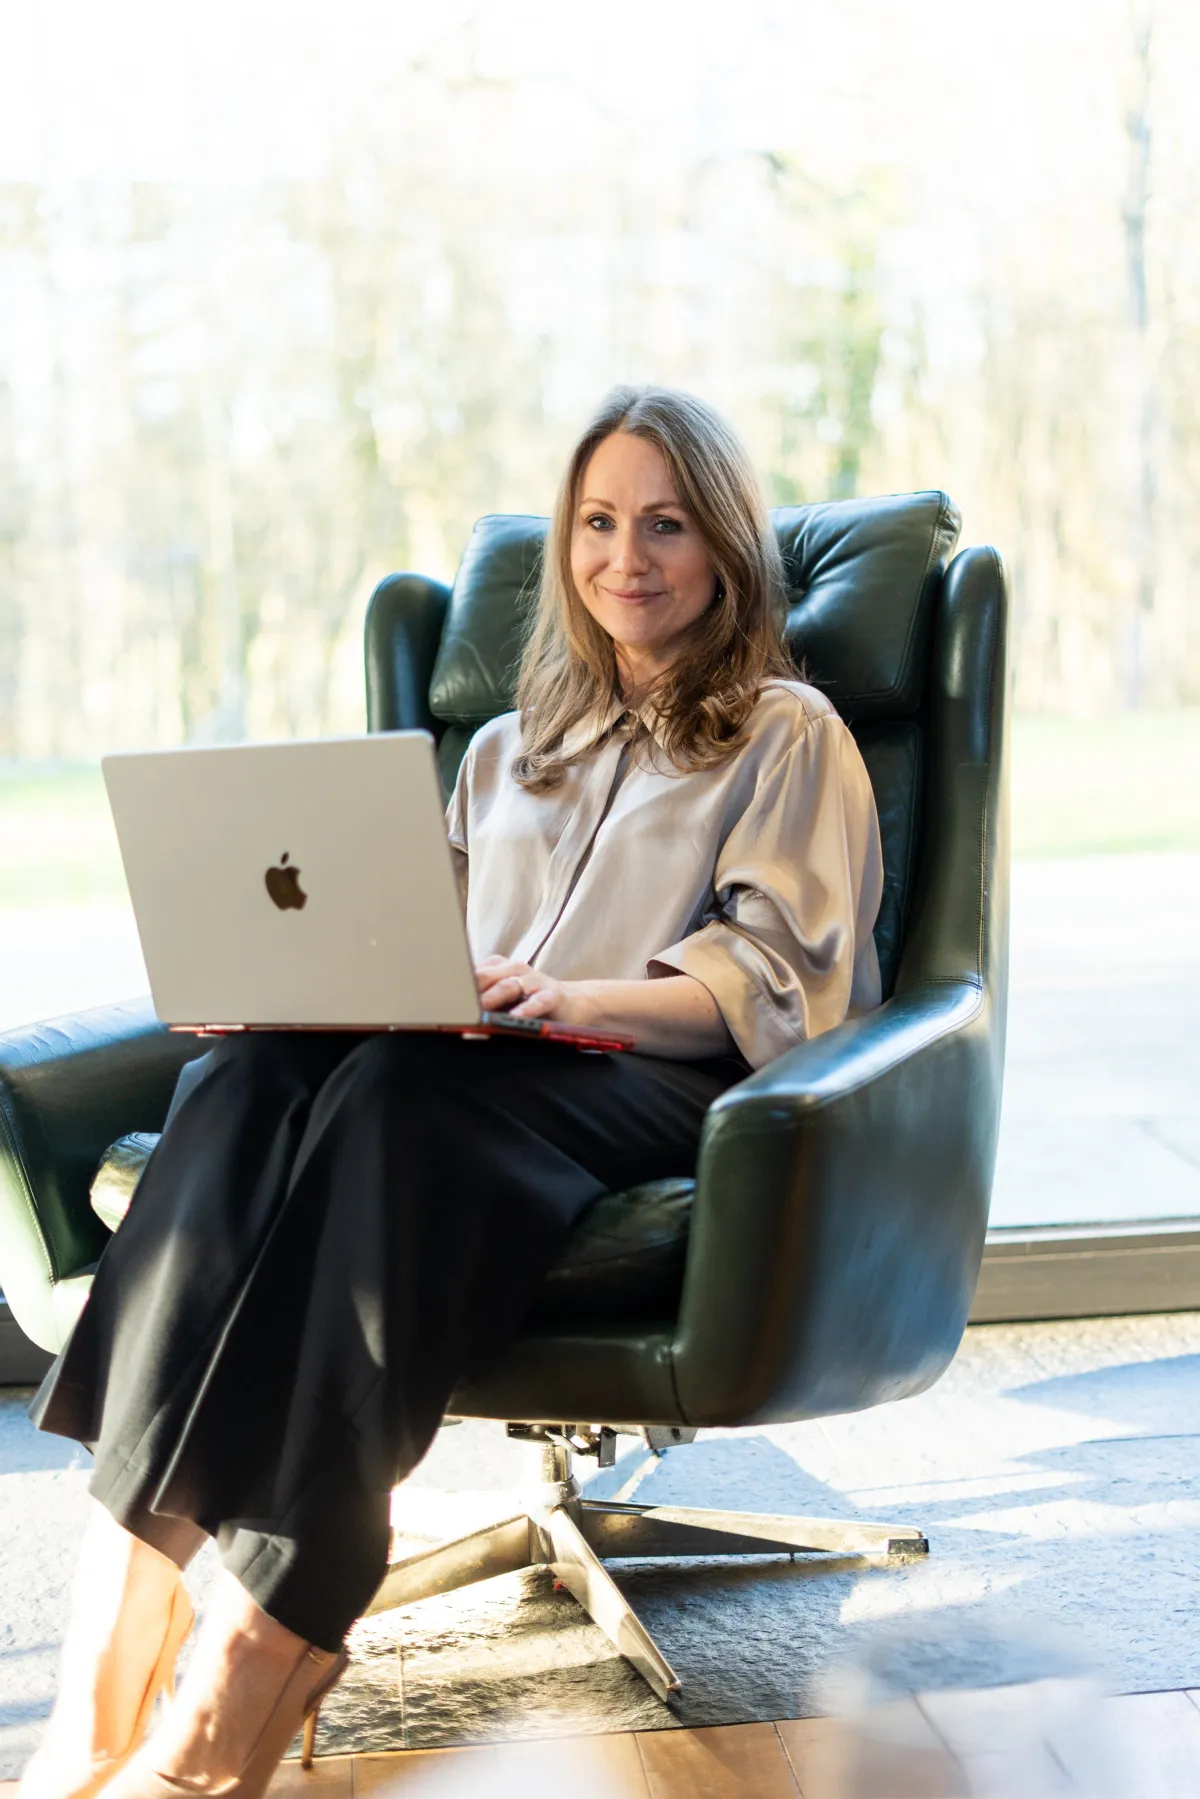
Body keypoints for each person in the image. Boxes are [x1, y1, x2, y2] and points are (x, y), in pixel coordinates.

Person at [21, 386, 883, 1799]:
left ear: (724, 546)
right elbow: (408, 950)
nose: (628, 558)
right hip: (472, 1063)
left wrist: (580, 1000)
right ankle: (106, 1670)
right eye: (599, 523)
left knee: (400, 1106)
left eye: (666, 524)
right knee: (244, 1076)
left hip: (660, 1084)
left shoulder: (789, 733)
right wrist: (300, 990)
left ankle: (251, 1658)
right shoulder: (504, 749)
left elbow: (779, 981)